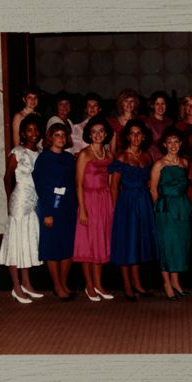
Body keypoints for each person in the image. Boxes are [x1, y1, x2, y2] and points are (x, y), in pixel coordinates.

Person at [109, 119, 159, 300]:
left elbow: (149, 182)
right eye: (132, 133)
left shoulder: (147, 156)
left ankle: (137, 283)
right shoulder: (121, 157)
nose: (136, 137)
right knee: (125, 243)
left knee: (137, 243)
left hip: (142, 202)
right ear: (127, 136)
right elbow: (114, 186)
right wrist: (116, 209)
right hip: (126, 203)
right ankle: (127, 286)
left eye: (139, 133)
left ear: (143, 136)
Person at [0, 114, 43, 303]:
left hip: (33, 201)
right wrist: (10, 201)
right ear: (23, 133)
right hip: (19, 201)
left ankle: (26, 283)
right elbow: (7, 178)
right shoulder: (17, 152)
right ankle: (16, 287)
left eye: (35, 129)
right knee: (16, 242)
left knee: (27, 241)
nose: (33, 133)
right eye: (29, 130)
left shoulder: (40, 152)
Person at [32, 123, 77, 300]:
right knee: (52, 247)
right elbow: (41, 186)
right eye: (57, 134)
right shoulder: (43, 158)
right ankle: (57, 286)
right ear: (50, 138)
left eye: (63, 135)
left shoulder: (68, 158)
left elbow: (73, 182)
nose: (60, 138)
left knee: (67, 247)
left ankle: (64, 284)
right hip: (51, 207)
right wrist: (48, 212)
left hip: (68, 207)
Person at [72, 116, 115, 302]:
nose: (98, 134)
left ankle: (98, 284)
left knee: (100, 243)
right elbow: (78, 184)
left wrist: (111, 206)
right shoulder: (83, 154)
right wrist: (82, 209)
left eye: (101, 131)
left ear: (106, 135)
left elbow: (112, 183)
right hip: (88, 200)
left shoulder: (109, 155)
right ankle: (89, 285)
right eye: (94, 131)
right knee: (87, 244)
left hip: (104, 201)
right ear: (89, 134)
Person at [149, 127, 192, 301]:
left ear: (180, 144)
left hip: (182, 207)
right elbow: (152, 189)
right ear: (164, 144)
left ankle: (176, 282)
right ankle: (166, 283)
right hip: (166, 208)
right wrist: (160, 207)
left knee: (179, 245)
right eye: (170, 142)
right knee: (166, 245)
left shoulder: (184, 163)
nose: (173, 145)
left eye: (176, 142)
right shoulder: (159, 164)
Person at [108, 88, 141, 154]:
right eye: (126, 101)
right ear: (121, 104)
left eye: (131, 101)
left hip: (137, 157)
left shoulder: (140, 121)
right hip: (120, 158)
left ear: (135, 103)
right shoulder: (113, 123)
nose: (129, 104)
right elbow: (112, 149)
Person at [143, 91, 173, 162]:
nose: (160, 107)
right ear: (152, 105)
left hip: (170, 157)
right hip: (153, 158)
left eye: (163, 103)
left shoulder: (170, 121)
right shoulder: (147, 122)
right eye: (157, 104)